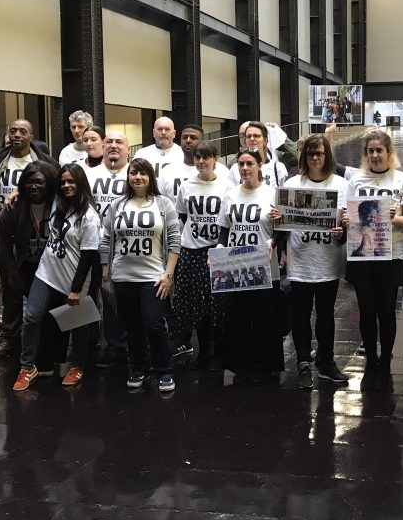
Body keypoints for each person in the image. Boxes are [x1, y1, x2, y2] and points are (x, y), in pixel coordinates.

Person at [12, 163, 101, 391]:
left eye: (72, 181)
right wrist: (16, 191)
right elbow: (34, 186)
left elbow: (89, 256)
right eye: (63, 182)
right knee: (31, 316)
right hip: (46, 273)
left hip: (74, 279)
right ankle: (27, 366)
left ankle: (78, 365)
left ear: (81, 183)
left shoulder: (89, 216)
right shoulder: (57, 203)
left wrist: (77, 288)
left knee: (78, 324)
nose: (67, 185)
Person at [272, 134, 350, 388]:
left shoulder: (341, 184)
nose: (315, 158)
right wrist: (280, 242)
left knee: (326, 315)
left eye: (320, 154)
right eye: (311, 154)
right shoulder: (293, 182)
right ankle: (303, 362)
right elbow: (282, 223)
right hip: (300, 259)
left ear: (328, 156)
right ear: (304, 157)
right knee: (300, 315)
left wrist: (343, 231)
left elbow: (347, 222)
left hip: (328, 260)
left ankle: (326, 362)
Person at [100, 158, 181, 393]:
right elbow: (106, 239)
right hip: (123, 276)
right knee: (131, 325)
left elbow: (175, 241)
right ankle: (138, 368)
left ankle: (164, 370)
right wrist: (106, 272)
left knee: (154, 324)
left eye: (143, 173)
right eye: (134, 173)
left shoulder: (163, 204)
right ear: (128, 177)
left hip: (154, 276)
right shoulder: (117, 205)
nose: (137, 177)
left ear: (150, 178)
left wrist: (169, 274)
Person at [343, 131, 403, 389]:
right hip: (362, 254)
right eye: (370, 151)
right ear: (366, 154)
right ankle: (370, 361)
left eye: (379, 151)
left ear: (388, 152)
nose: (375, 155)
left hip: (392, 255)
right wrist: (346, 219)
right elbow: (346, 215)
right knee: (366, 310)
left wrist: (394, 217)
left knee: (386, 311)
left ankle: (385, 360)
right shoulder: (355, 180)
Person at [217, 147, 284, 383]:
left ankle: (264, 366)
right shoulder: (231, 194)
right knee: (238, 318)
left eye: (249, 164)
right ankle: (240, 365)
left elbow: (282, 231)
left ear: (259, 166)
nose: (245, 168)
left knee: (264, 318)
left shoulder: (273, 194)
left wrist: (273, 242)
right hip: (236, 264)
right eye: (241, 164)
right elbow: (225, 228)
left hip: (265, 265)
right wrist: (219, 246)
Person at [0, 119, 57, 341]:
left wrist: (19, 191)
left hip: (37, 230)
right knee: (8, 285)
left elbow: (55, 189)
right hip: (5, 228)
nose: (16, 134)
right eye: (13, 130)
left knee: (45, 286)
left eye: (22, 131)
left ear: (31, 136)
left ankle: (50, 339)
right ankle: (11, 337)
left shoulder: (46, 161)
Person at [170, 141, 230, 370]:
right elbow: (183, 216)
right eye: (198, 158)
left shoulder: (225, 186)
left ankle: (218, 352)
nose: (202, 162)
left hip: (217, 250)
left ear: (215, 159)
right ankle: (204, 350)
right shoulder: (186, 187)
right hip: (192, 251)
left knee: (217, 304)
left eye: (206, 157)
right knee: (196, 305)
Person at [84, 129, 131, 367]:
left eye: (119, 142)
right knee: (88, 294)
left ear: (128, 148)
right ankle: (90, 342)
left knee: (116, 297)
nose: (113, 145)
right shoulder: (89, 175)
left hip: (124, 246)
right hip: (90, 244)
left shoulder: (135, 174)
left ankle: (119, 345)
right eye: (109, 141)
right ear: (102, 147)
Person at [229, 121, 288, 187]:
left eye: (256, 136)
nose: (252, 139)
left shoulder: (278, 168)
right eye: (248, 136)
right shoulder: (235, 169)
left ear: (265, 140)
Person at [133, 116, 185, 180]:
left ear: (174, 134)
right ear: (153, 133)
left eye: (167, 129)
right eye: (160, 129)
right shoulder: (141, 154)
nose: (163, 132)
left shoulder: (183, 154)